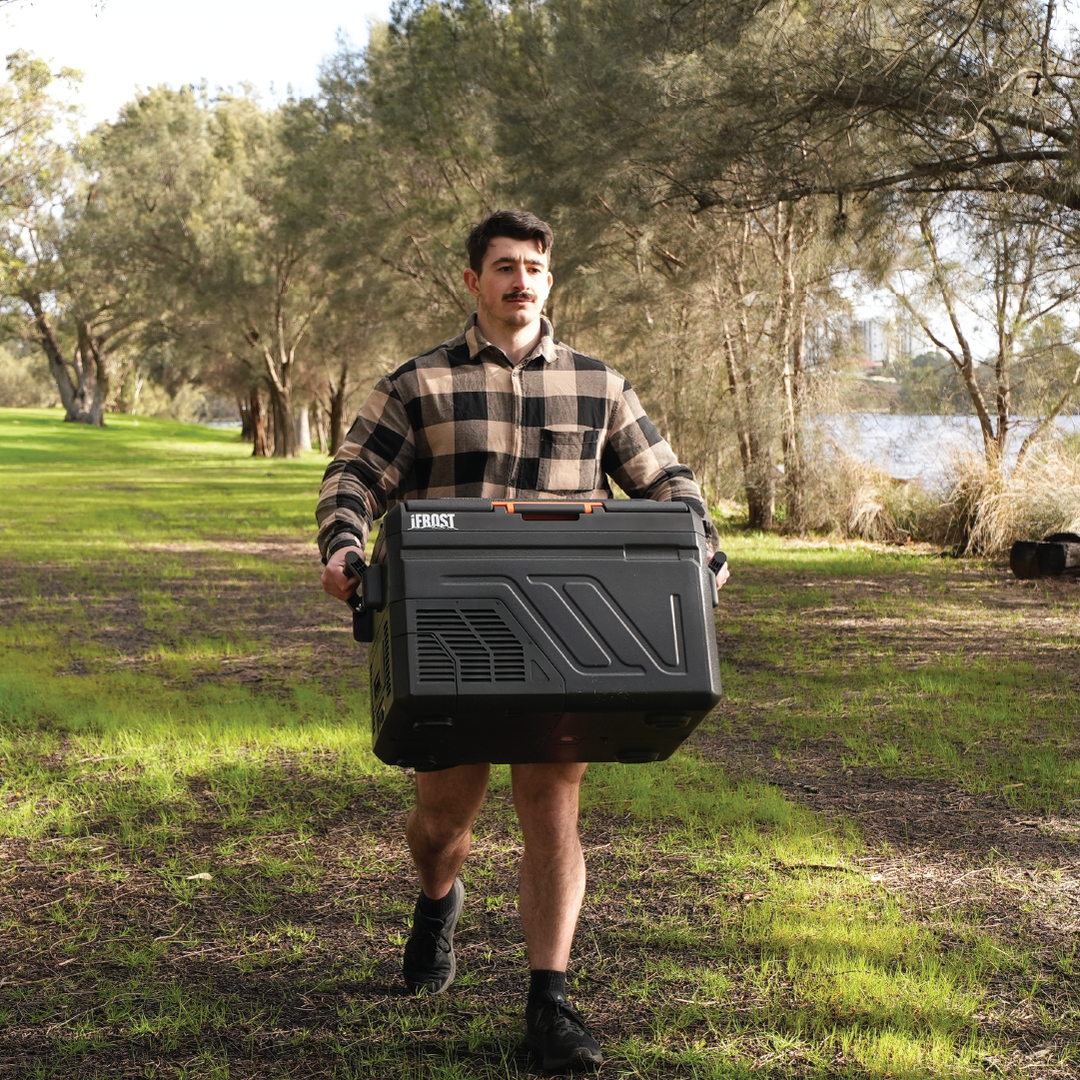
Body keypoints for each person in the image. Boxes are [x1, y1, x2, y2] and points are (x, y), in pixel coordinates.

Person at [317, 208, 729, 1073]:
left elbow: (666, 481)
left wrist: (706, 551)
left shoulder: (599, 384)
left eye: (534, 268)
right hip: (453, 638)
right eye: (503, 266)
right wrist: (345, 545)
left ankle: (551, 1003)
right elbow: (354, 473)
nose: (520, 281)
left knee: (552, 808)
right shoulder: (418, 384)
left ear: (550, 280)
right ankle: (438, 898)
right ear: (472, 281)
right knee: (442, 822)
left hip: (566, 633)